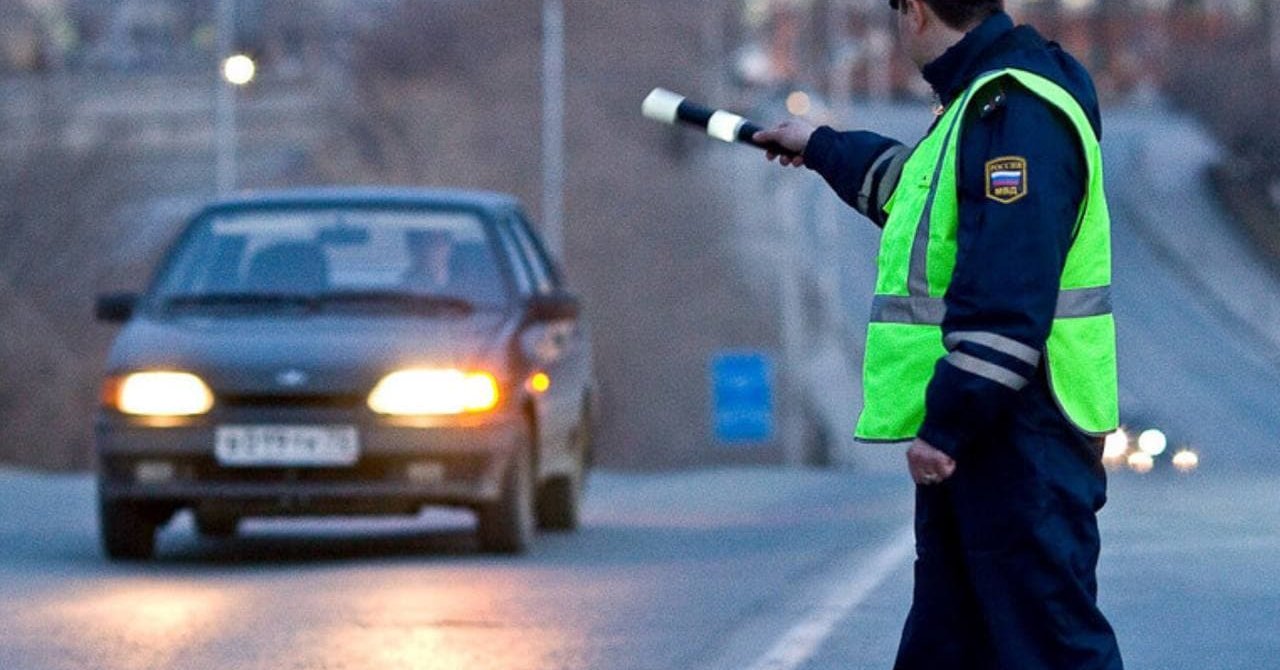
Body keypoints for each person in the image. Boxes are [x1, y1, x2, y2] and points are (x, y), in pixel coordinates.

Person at [755, 1, 1123, 668]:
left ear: (916, 12)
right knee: (951, 648)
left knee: (1048, 647)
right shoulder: (981, 107)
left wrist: (948, 422)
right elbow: (917, 197)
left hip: (1019, 435)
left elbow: (1009, 290)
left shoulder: (1015, 113)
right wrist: (822, 148)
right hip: (997, 439)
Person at [402, 228, 456, 292]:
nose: (441, 247)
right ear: (417, 249)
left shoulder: (463, 280)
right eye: (433, 241)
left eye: (445, 239)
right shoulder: (407, 289)